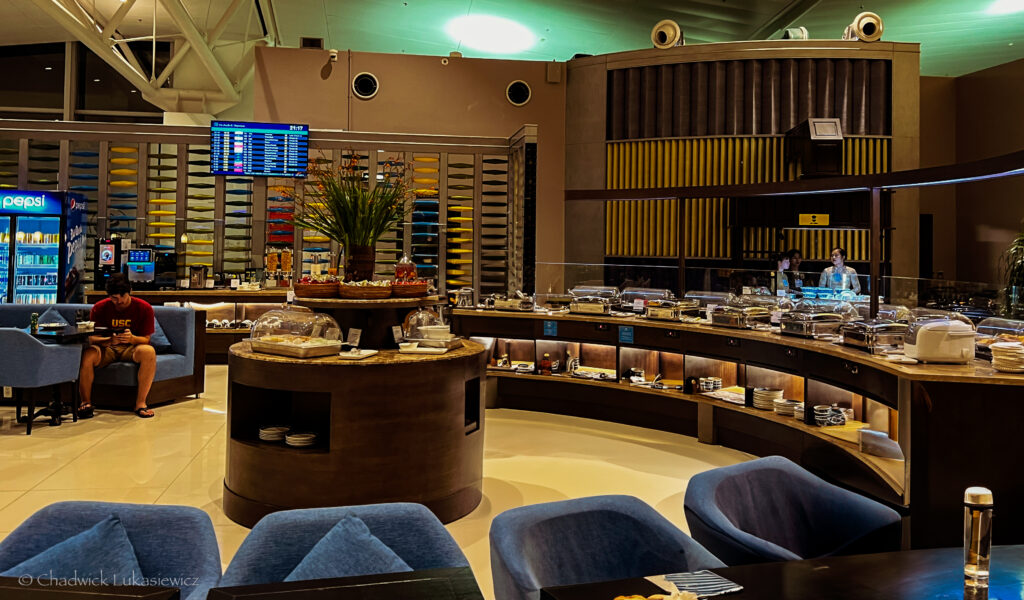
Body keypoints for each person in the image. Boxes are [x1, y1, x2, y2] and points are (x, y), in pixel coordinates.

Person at [78, 273, 157, 418]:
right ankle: (85, 403)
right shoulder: (99, 308)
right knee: (88, 354)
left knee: (149, 352)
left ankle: (140, 403)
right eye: (114, 297)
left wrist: (132, 339)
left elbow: (146, 339)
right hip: (107, 348)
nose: (119, 301)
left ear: (129, 292)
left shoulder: (144, 308)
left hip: (131, 348)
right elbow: (91, 339)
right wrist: (107, 341)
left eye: (122, 296)